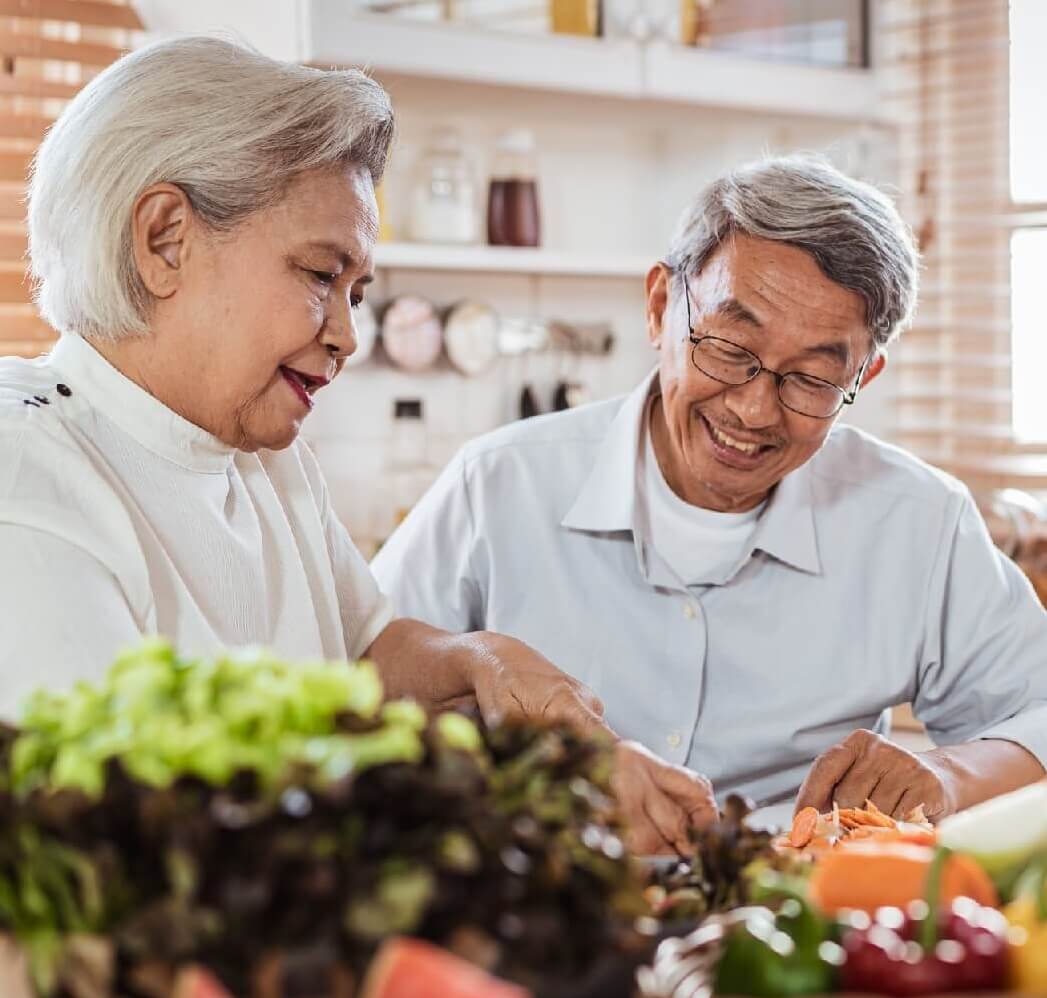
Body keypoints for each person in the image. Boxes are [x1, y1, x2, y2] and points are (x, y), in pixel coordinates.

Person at [0, 36, 714, 853]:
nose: (347, 334)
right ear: (166, 239)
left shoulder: (263, 455)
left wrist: (478, 657)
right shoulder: (26, 469)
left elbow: (365, 654)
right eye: (317, 275)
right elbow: (125, 833)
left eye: (357, 291)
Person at [373, 154, 1047, 821]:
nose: (753, 411)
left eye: (810, 379)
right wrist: (476, 663)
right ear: (660, 305)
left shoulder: (917, 521)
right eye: (728, 348)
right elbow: (355, 676)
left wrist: (948, 774)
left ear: (859, 381)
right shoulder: (497, 483)